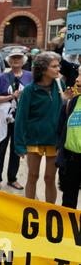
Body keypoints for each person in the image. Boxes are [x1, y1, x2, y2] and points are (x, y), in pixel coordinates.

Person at [14, 52, 67, 204]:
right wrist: (19, 145)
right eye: (54, 66)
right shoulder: (29, 90)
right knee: (33, 175)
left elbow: (63, 112)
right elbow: (21, 118)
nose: (59, 69)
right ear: (43, 70)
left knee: (50, 178)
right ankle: (30, 209)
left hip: (54, 139)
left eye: (59, 65)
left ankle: (50, 212)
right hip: (33, 139)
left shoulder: (60, 85)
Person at [0, 49, 33, 190]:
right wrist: (11, 96)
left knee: (17, 148)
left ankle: (12, 178)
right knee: (1, 147)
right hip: (5, 118)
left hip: (21, 117)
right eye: (13, 58)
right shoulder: (3, 77)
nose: (16, 60)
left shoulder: (30, 76)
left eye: (19, 57)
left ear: (23, 61)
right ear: (9, 61)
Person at [56, 71, 81, 209]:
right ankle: (68, 229)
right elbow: (60, 128)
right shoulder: (72, 102)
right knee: (68, 202)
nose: (77, 79)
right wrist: (64, 100)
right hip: (71, 160)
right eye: (78, 75)